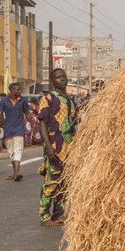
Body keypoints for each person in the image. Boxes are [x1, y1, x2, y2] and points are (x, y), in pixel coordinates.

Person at [38, 68, 79, 226]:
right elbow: (42, 123)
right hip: (55, 145)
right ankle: (44, 215)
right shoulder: (48, 99)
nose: (62, 79)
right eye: (58, 77)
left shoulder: (70, 100)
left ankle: (59, 214)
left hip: (69, 146)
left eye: (64, 76)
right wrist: (48, 146)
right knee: (52, 181)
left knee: (65, 182)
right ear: (52, 81)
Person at [0, 82, 29, 181]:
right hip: (8, 129)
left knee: (18, 150)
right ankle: (15, 173)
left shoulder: (23, 101)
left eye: (20, 89)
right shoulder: (3, 101)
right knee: (11, 152)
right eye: (17, 89)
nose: (19, 91)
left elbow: (27, 113)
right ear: (11, 90)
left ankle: (17, 173)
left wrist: (31, 124)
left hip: (19, 129)